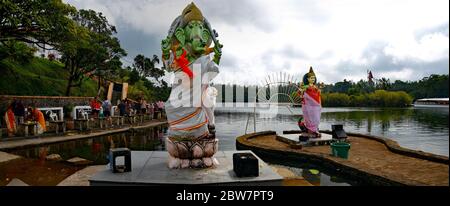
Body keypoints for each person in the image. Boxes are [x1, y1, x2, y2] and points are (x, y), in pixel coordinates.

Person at [298, 66, 322, 138]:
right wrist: (302, 92)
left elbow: (318, 95)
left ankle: (315, 130)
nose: (313, 79)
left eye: (314, 78)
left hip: (316, 106)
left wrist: (318, 91)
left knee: (316, 118)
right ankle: (311, 131)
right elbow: (300, 94)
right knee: (310, 118)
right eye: (311, 78)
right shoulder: (305, 87)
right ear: (307, 79)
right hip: (308, 106)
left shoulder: (315, 87)